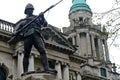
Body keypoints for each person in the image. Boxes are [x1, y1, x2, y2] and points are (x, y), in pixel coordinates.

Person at [14, 3, 52, 74]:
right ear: (26, 11)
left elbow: (45, 24)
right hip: (28, 37)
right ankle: (25, 71)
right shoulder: (23, 21)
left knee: (42, 51)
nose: (30, 11)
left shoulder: (37, 18)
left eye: (31, 10)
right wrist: (16, 33)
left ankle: (46, 68)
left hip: (37, 35)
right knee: (26, 54)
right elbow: (16, 31)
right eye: (28, 10)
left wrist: (42, 17)